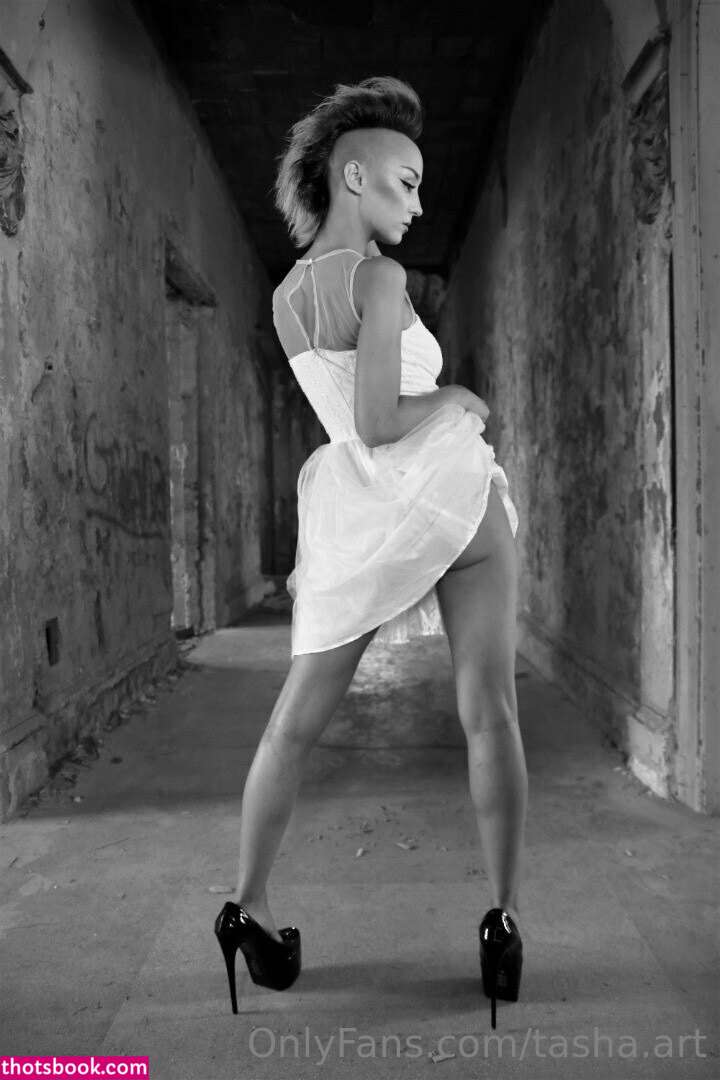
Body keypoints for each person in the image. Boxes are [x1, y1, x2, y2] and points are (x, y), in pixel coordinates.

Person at [215, 76, 528, 1030]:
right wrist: (458, 397)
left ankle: (245, 907)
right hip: (444, 495)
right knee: (489, 711)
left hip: (356, 516)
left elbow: (349, 424)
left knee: (290, 726)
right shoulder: (380, 278)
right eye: (407, 181)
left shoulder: (285, 298)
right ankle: (504, 922)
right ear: (355, 177)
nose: (419, 204)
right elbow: (383, 418)